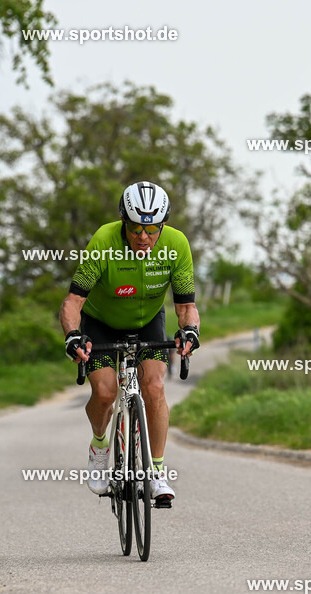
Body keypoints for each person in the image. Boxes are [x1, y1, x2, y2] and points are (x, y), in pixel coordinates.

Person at [59, 181, 200, 506]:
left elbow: (185, 308)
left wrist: (190, 332)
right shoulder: (104, 241)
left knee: (154, 387)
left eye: (152, 228)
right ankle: (99, 446)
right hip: (101, 324)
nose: (143, 237)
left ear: (162, 225)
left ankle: (157, 473)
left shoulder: (176, 245)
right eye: (135, 227)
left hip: (148, 321)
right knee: (106, 391)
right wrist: (72, 335)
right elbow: (72, 302)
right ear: (124, 221)